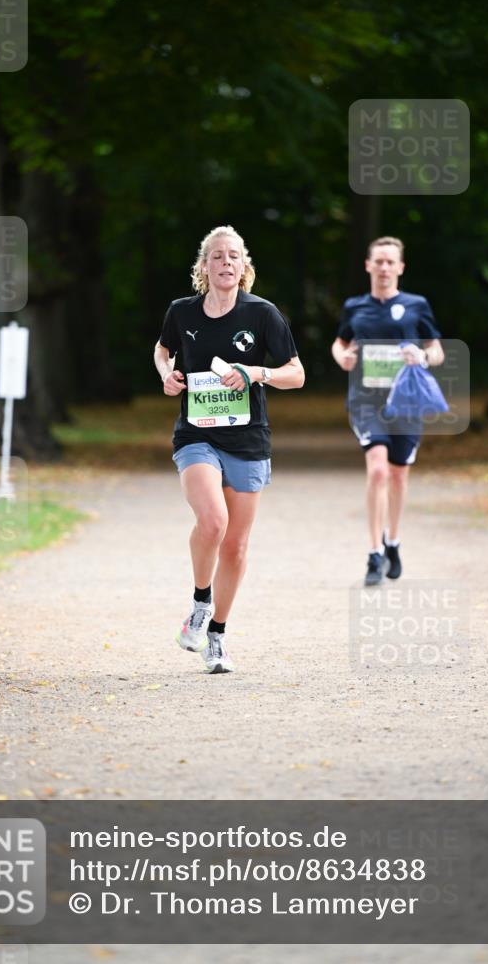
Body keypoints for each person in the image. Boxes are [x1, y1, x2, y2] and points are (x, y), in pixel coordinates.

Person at [154, 225, 305, 673]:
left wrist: (256, 372)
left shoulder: (262, 314)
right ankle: (200, 602)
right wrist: (166, 374)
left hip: (248, 439)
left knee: (236, 547)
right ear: (203, 266)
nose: (226, 263)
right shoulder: (182, 312)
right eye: (217, 256)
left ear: (245, 267)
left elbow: (296, 373)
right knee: (213, 520)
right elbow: (163, 350)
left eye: (234, 257)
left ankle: (216, 635)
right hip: (196, 434)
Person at [332, 236, 444, 586]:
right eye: (377, 261)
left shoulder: (416, 305)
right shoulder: (355, 306)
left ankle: (393, 540)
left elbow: (436, 349)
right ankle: (374, 551)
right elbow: (340, 341)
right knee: (378, 469)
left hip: (406, 402)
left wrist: (423, 357)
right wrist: (343, 357)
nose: (383, 267)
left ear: (400, 267)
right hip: (366, 401)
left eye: (389, 262)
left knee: (398, 475)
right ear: (368, 266)